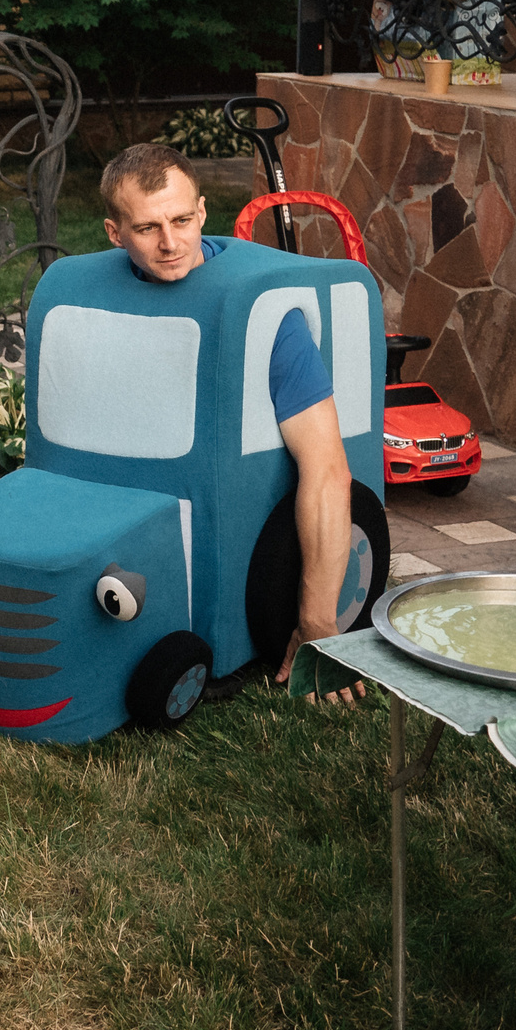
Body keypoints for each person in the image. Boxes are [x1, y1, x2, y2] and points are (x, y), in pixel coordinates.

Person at [99, 143, 362, 703]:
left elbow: (327, 467)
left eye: (182, 220)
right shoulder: (96, 299)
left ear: (201, 211)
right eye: (147, 228)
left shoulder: (267, 316)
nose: (170, 243)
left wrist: (317, 623)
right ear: (113, 233)